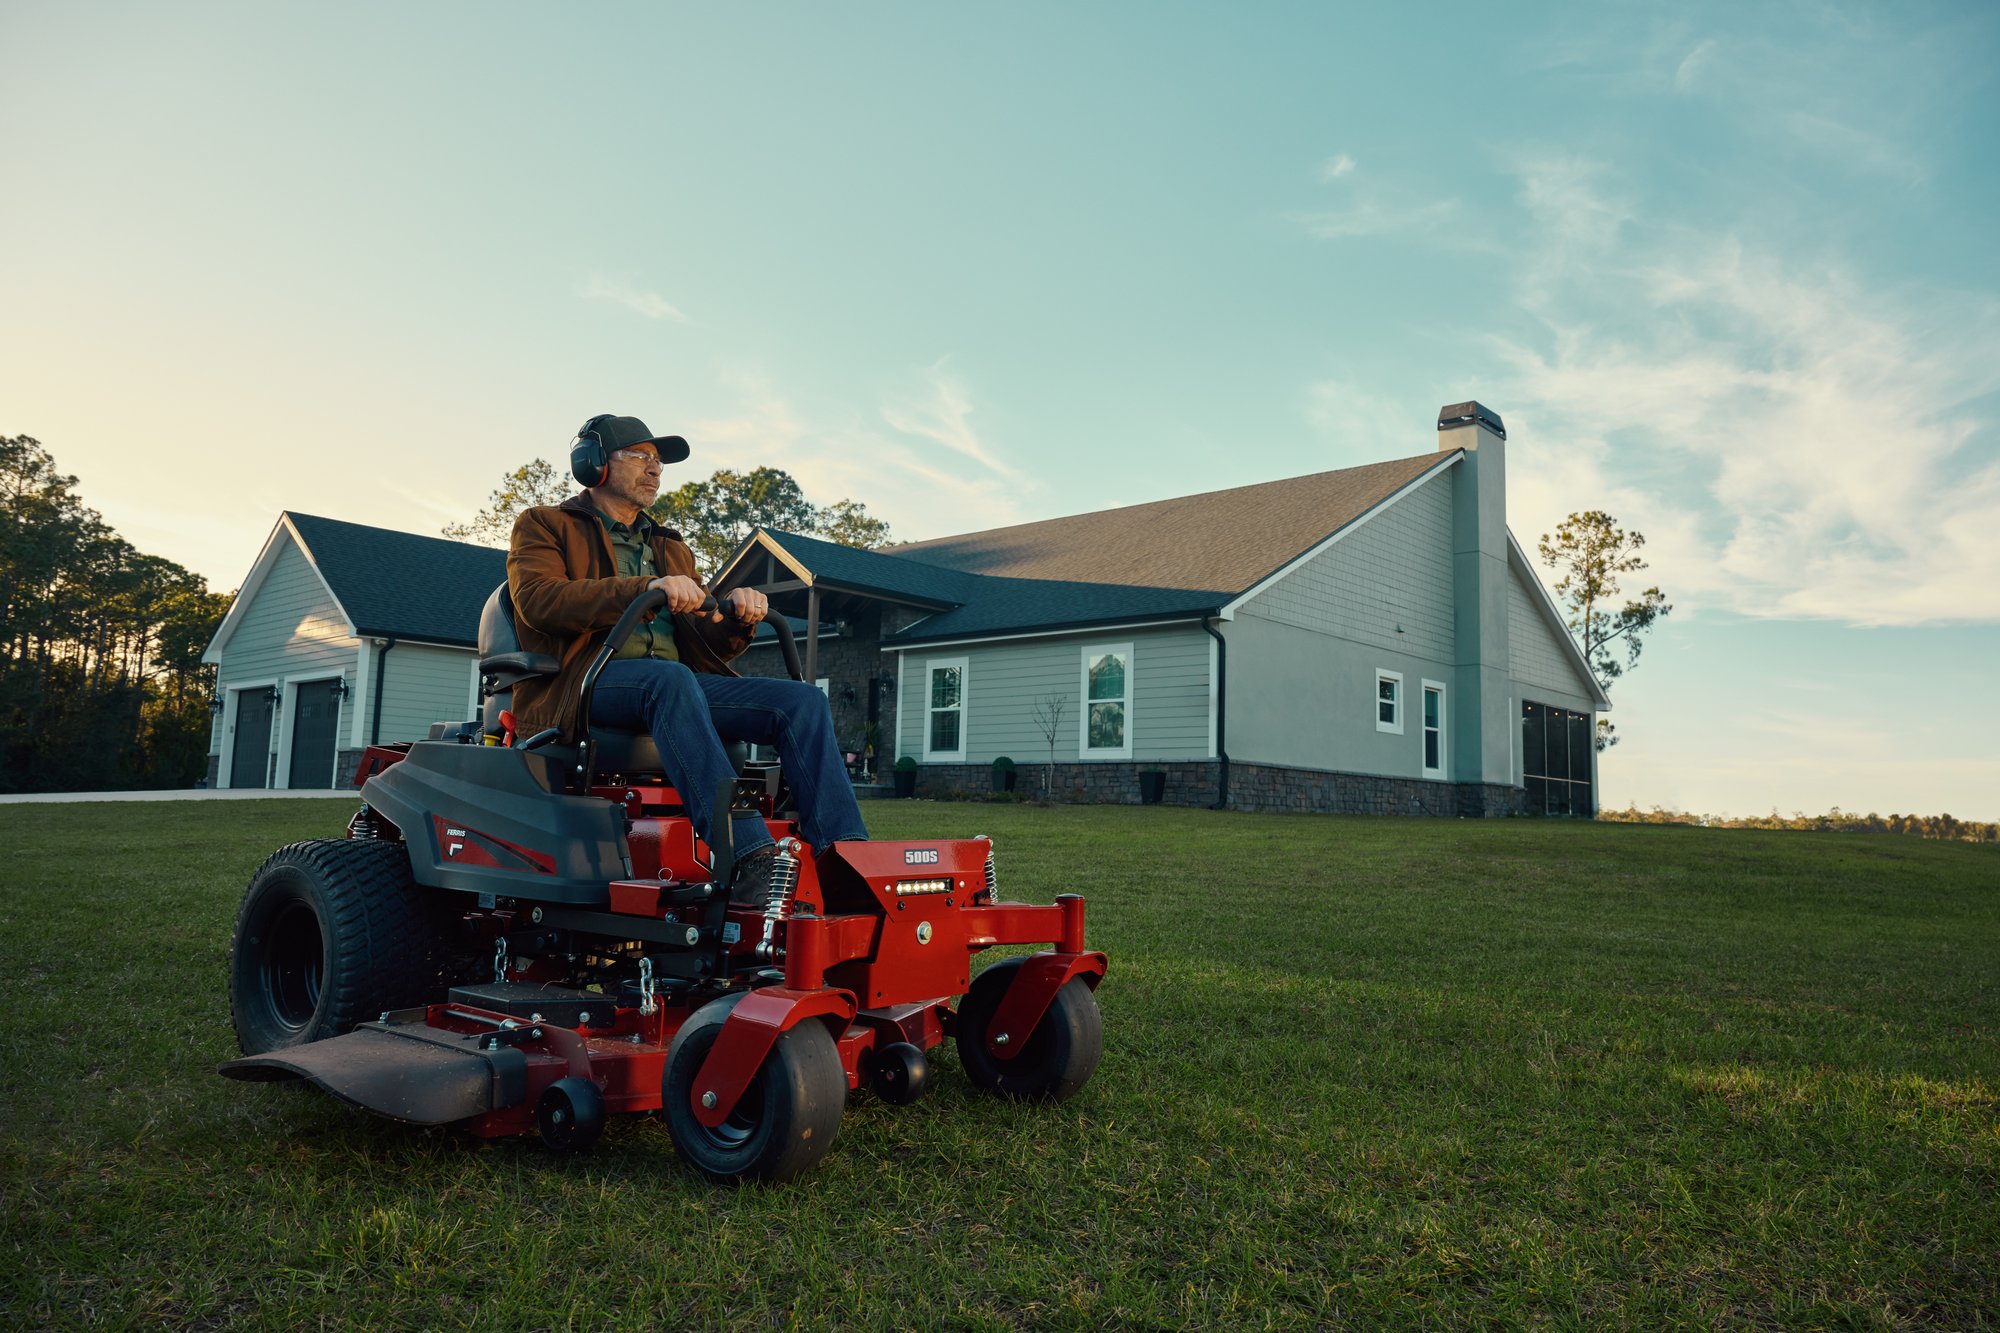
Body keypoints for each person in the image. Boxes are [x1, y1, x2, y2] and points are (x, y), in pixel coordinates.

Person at [505, 413, 868, 902]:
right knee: (669, 679)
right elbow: (540, 600)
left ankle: (845, 858)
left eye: (659, 462)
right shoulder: (545, 525)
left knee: (800, 701)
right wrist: (644, 588)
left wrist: (738, 617)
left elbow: (702, 637)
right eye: (641, 457)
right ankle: (749, 856)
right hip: (585, 682)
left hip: (671, 687)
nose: (655, 470)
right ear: (593, 463)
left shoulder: (670, 546)